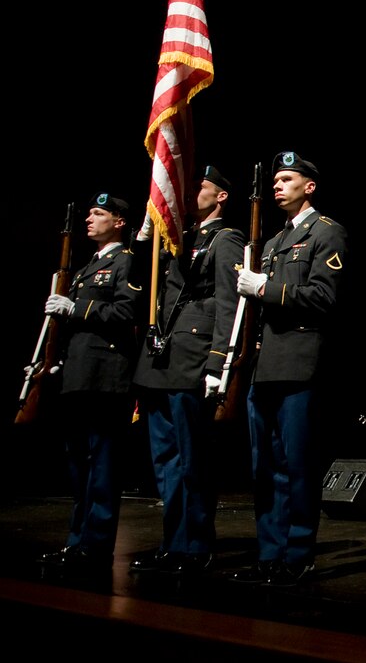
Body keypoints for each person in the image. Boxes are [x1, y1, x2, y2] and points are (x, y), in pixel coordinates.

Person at [231, 151, 349, 587]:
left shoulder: (326, 233)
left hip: (300, 363)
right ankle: (268, 553)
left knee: (297, 465)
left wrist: (266, 286)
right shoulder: (271, 242)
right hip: (264, 366)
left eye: (286, 179)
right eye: (275, 180)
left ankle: (296, 556)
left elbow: (323, 298)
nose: (277, 186)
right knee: (265, 467)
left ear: (309, 186)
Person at [129, 167, 244, 575]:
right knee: (165, 461)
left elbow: (230, 305)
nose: (192, 193)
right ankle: (172, 542)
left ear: (222, 197)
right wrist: (146, 235)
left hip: (193, 359)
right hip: (159, 362)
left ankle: (195, 545)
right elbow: (142, 282)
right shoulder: (179, 239)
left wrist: (219, 361)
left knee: (193, 460)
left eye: (201, 187)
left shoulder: (226, 239)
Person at [37, 193, 142, 579]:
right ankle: (77, 539)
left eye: (98, 214)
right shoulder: (85, 268)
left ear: (118, 221)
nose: (89, 220)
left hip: (106, 378)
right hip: (79, 377)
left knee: (102, 466)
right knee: (79, 465)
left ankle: (96, 545)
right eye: (89, 214)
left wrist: (75, 308)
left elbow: (125, 312)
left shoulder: (124, 261)